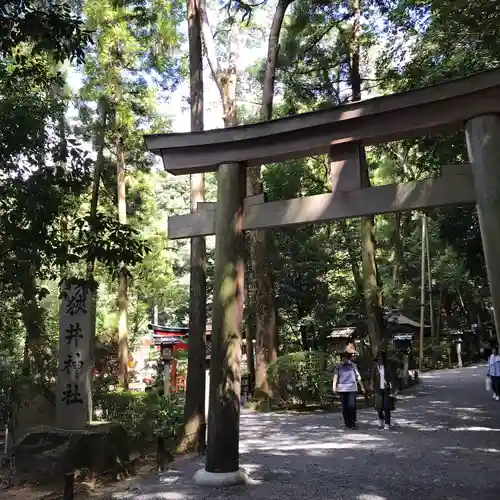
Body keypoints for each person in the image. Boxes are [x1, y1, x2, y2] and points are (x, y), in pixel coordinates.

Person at [332, 352, 365, 429]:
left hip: (352, 387)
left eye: (345, 358)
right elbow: (335, 376)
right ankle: (347, 422)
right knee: (344, 406)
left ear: (348, 358)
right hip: (342, 388)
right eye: (342, 358)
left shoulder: (353, 366)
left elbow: (358, 376)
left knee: (352, 405)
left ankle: (353, 422)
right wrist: (334, 386)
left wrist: (362, 386)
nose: (343, 359)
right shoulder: (338, 367)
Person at [372, 351, 394, 430]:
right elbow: (373, 378)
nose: (379, 361)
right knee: (378, 407)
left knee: (386, 407)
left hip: (386, 389)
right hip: (378, 389)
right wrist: (371, 386)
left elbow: (392, 378)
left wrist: (393, 389)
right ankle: (381, 418)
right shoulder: (375, 367)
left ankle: (387, 423)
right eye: (378, 359)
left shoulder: (388, 367)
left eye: (380, 359)